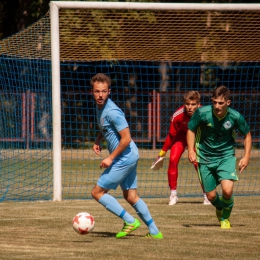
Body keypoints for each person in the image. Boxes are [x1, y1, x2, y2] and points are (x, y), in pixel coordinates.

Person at [90, 73, 163, 239]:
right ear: (92, 92)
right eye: (97, 91)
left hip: (125, 157)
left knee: (97, 192)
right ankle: (154, 231)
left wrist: (110, 158)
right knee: (131, 196)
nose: (100, 95)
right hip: (129, 155)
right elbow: (106, 127)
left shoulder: (113, 111)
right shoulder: (100, 107)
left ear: (109, 91)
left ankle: (129, 221)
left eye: (103, 91)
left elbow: (126, 138)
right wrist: (98, 139)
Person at [187, 86, 252, 229]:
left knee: (227, 190)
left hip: (226, 156)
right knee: (210, 196)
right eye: (214, 102)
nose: (217, 106)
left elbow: (247, 134)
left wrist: (246, 156)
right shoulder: (202, 113)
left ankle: (225, 218)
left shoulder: (235, 117)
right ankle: (221, 207)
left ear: (228, 103)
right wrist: (191, 150)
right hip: (204, 157)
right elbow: (191, 129)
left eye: (221, 103)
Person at [151, 91, 210, 206]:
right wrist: (162, 153)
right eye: (187, 104)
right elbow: (171, 135)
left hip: (197, 137)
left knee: (198, 164)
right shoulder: (178, 115)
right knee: (173, 159)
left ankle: (207, 195)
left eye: (193, 104)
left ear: (198, 104)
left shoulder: (205, 114)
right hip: (181, 137)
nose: (190, 107)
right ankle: (173, 195)